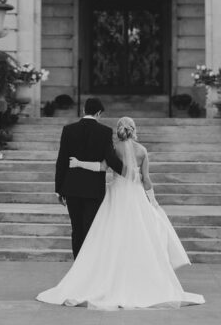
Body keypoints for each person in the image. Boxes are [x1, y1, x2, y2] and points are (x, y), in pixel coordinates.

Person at [38, 116, 205, 309]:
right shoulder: (142, 151)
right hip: (135, 197)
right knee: (140, 237)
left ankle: (105, 278)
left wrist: (78, 163)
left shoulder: (114, 149)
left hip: (115, 195)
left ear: (119, 130)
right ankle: (141, 280)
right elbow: (147, 180)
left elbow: (101, 167)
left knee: (109, 238)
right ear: (134, 130)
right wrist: (152, 201)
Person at [54, 96, 124, 257]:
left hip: (71, 188)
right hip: (94, 189)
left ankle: (78, 265)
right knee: (91, 228)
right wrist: (128, 172)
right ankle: (88, 265)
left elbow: (62, 160)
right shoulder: (105, 131)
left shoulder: (68, 129)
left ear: (84, 110)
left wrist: (59, 189)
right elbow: (111, 159)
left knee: (76, 229)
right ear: (98, 113)